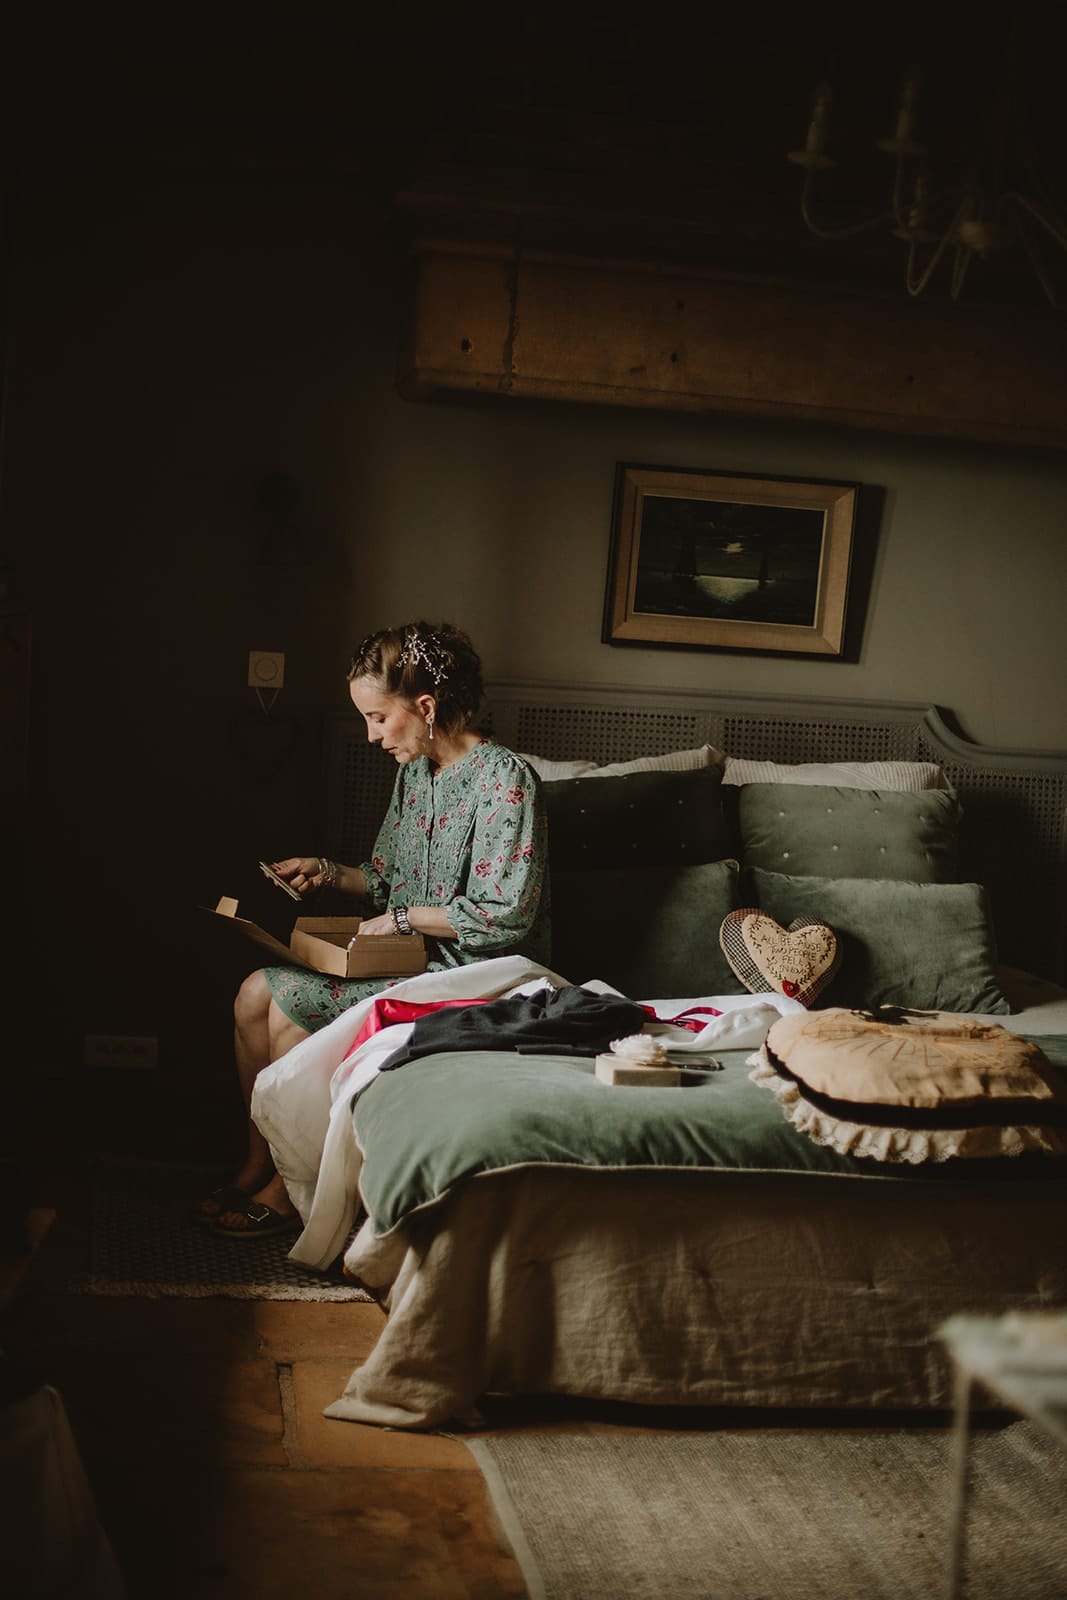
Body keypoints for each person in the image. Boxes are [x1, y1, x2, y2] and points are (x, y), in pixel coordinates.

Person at [201, 620, 550, 1237]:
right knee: (253, 992)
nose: (371, 735)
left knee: (287, 1008)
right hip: (404, 955)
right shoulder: (414, 774)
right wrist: (327, 871)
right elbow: (386, 878)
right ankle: (258, 1161)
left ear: (426, 707)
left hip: (474, 971)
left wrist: (402, 919)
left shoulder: (506, 781)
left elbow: (505, 916)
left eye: (378, 718)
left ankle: (291, 1186)